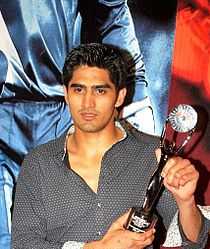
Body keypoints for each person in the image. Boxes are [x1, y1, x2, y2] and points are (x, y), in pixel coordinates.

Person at [11, 43, 209, 249]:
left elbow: (194, 242)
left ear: (120, 96)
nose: (88, 103)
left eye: (100, 91)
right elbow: (23, 244)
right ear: (66, 94)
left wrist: (186, 202)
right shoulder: (39, 162)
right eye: (79, 90)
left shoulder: (153, 154)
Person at [0, 1, 152, 248]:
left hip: (58, 113)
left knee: (98, 228)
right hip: (19, 116)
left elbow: (112, 10)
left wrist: (136, 104)